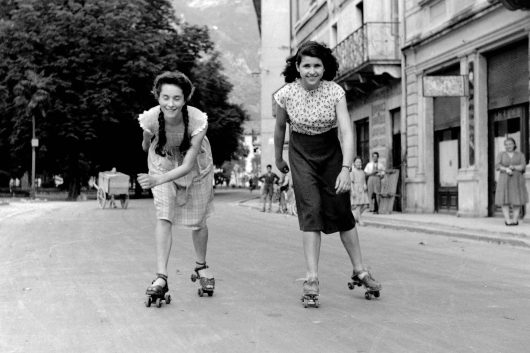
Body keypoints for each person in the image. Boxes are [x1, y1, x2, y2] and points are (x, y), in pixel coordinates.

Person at [273, 41, 381, 305]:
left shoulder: (335, 91)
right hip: (300, 155)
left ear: (325, 67)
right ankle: (311, 278)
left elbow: (346, 131)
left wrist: (346, 168)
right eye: (306, 65)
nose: (312, 71)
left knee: (342, 212)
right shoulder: (285, 94)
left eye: (317, 65)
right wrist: (277, 158)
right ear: (297, 67)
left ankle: (360, 269)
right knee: (311, 211)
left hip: (331, 154)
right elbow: (279, 129)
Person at [137, 71, 215, 301]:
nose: (171, 104)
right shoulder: (150, 118)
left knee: (199, 221)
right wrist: (148, 141)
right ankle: (161, 276)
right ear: (157, 96)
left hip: (196, 167)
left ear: (186, 98)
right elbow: (145, 145)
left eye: (177, 98)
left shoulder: (198, 120)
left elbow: (189, 164)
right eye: (165, 98)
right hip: (162, 163)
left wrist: (156, 180)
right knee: (164, 216)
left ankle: (201, 266)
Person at [495, 137, 528, 226]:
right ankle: (507, 220)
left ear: (514, 145)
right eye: (506, 144)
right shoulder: (501, 154)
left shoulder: (520, 155)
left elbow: (523, 166)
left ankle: (515, 219)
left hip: (517, 179)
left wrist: (514, 167)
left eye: (510, 144)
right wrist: (506, 169)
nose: (508, 146)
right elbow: (497, 166)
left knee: (516, 199)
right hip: (504, 179)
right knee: (504, 200)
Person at [350, 156, 370, 226]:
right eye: (357, 162)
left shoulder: (362, 172)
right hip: (356, 188)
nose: (358, 163)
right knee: (358, 206)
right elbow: (351, 182)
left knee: (365, 205)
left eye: (360, 162)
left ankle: (355, 217)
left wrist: (365, 185)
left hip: (362, 189)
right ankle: (360, 220)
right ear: (354, 163)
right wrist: (353, 191)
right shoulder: (352, 171)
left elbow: (364, 180)